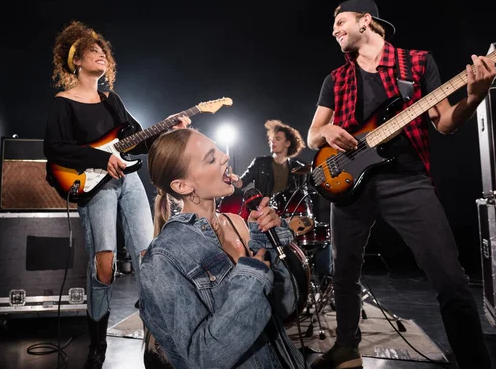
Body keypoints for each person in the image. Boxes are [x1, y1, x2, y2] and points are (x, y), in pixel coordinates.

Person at [307, 0, 496, 369]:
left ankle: (474, 361)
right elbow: (312, 135)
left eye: (340, 21)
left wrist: (473, 97)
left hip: (407, 179)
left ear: (366, 21)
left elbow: (444, 123)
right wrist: (326, 130)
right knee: (344, 271)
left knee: (449, 277)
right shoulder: (335, 79)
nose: (334, 29)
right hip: (347, 182)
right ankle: (346, 348)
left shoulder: (418, 63)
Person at [43, 20, 189, 369]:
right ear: (76, 61)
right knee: (104, 267)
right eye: (93, 51)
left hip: (128, 181)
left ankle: (156, 347)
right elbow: (56, 148)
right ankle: (98, 348)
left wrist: (170, 128)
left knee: (146, 258)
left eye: (104, 51)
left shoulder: (113, 101)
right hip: (94, 184)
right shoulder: (63, 103)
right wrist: (101, 158)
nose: (102, 55)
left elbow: (138, 140)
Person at [139, 128, 307, 368]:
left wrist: (269, 243)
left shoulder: (238, 223)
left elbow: (284, 307)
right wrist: (252, 280)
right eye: (211, 158)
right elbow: (204, 359)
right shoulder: (164, 257)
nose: (225, 157)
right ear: (183, 185)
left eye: (218, 149)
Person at [232, 119, 333, 282]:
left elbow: (307, 193)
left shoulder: (298, 167)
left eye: (277, 139)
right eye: (271, 139)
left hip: (287, 217)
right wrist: (232, 178)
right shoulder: (260, 163)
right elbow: (241, 182)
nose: (273, 142)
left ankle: (324, 279)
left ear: (288, 143)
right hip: (263, 214)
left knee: (322, 234)